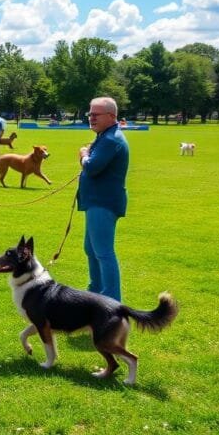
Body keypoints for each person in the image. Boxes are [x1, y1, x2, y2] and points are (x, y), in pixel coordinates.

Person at [77, 97, 129, 302]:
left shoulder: (110, 139)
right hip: (96, 202)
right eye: (90, 114)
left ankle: (110, 302)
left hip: (103, 203)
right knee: (91, 249)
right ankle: (95, 293)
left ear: (112, 116)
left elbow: (91, 166)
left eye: (96, 114)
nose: (92, 118)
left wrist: (83, 155)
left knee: (103, 252)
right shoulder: (105, 136)